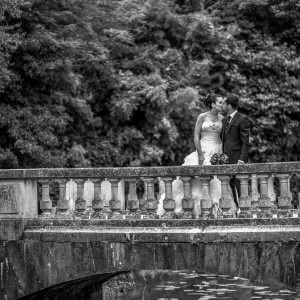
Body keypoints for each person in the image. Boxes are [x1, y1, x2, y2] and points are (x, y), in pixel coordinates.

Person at [157, 93, 236, 217]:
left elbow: (226, 137)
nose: (223, 105)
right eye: (220, 102)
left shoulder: (223, 119)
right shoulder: (202, 116)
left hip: (218, 150)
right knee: (196, 181)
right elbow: (196, 136)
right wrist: (199, 153)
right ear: (213, 104)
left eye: (223, 103)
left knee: (217, 181)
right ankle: (192, 210)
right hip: (203, 149)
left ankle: (216, 210)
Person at [221, 94, 250, 208]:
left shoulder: (242, 119)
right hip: (225, 160)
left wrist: (242, 159)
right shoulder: (224, 120)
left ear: (229, 106)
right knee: (229, 187)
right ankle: (236, 208)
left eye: (224, 103)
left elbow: (245, 142)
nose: (222, 105)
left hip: (237, 159)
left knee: (240, 187)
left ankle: (244, 210)